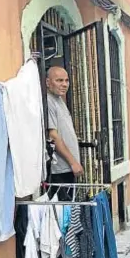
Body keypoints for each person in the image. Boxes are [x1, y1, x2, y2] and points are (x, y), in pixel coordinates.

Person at [46, 66, 82, 201]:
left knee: (68, 211)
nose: (64, 84)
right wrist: (73, 162)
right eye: (59, 80)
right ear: (48, 82)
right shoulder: (48, 102)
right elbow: (53, 136)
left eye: (66, 80)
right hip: (59, 169)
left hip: (67, 168)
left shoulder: (59, 100)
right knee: (62, 213)